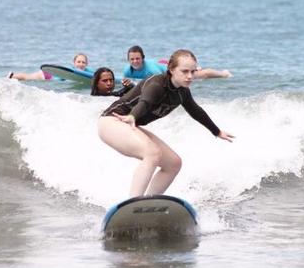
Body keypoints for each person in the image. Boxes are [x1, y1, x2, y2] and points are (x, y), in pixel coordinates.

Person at [98, 49, 235, 197]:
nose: (190, 76)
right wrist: (132, 116)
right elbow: (145, 101)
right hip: (112, 121)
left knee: (173, 163)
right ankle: (133, 202)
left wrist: (217, 131)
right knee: (152, 153)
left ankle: (149, 202)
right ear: (171, 69)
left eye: (193, 71)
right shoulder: (157, 83)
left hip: (128, 124)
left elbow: (196, 111)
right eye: (184, 71)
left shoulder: (182, 92)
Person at [123, 45, 232, 80]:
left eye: (137, 58)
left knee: (198, 75)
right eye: (132, 59)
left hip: (166, 67)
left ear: (143, 58)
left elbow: (165, 79)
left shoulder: (151, 70)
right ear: (128, 60)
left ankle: (223, 74)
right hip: (161, 63)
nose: (135, 61)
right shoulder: (127, 70)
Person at [8, 53, 94, 81]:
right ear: (74, 63)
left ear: (86, 64)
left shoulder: (88, 71)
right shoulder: (70, 71)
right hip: (49, 75)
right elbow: (60, 79)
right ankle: (12, 76)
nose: (81, 64)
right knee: (28, 77)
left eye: (83, 62)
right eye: (78, 62)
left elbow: (96, 74)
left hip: (53, 75)